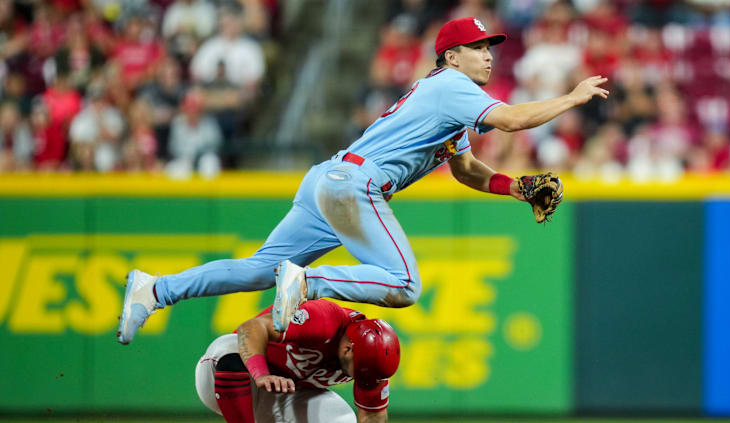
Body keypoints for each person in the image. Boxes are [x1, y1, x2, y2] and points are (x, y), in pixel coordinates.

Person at [117, 16, 608, 344]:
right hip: (353, 185)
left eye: (489, 47)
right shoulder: (452, 87)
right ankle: (306, 281)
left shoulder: (449, 101)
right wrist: (572, 97)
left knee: (258, 270)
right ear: (450, 57)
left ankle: (154, 290)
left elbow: (466, 170)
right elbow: (515, 120)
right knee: (406, 283)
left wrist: (518, 188)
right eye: (476, 47)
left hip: (328, 183)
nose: (487, 55)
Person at [194, 299, 399, 423]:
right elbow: (250, 328)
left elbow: (373, 417)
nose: (366, 379)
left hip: (280, 397)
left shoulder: (372, 363)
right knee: (228, 352)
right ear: (347, 348)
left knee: (342, 419)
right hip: (229, 381)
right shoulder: (324, 320)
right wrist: (261, 373)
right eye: (363, 371)